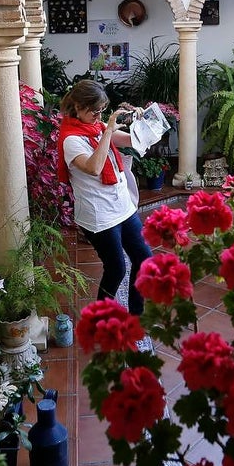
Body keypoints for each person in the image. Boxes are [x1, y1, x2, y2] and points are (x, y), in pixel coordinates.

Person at [56, 80, 153, 350]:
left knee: (144, 258)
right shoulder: (71, 140)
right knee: (116, 269)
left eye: (102, 111)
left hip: (122, 208)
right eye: (95, 111)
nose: (99, 116)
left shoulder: (94, 127)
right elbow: (95, 167)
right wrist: (107, 129)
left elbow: (133, 141)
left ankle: (136, 316)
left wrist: (142, 122)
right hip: (99, 217)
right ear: (78, 107)